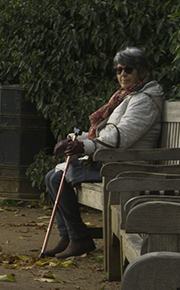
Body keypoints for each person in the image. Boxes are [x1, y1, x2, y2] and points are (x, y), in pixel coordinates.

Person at [42, 47, 166, 259]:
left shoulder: (143, 100)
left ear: (141, 72)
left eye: (128, 69)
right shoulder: (126, 97)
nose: (123, 74)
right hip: (113, 159)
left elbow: (121, 137)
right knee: (53, 176)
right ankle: (69, 236)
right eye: (119, 70)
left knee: (57, 177)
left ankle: (78, 238)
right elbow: (107, 133)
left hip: (128, 165)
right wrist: (75, 140)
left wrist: (85, 147)